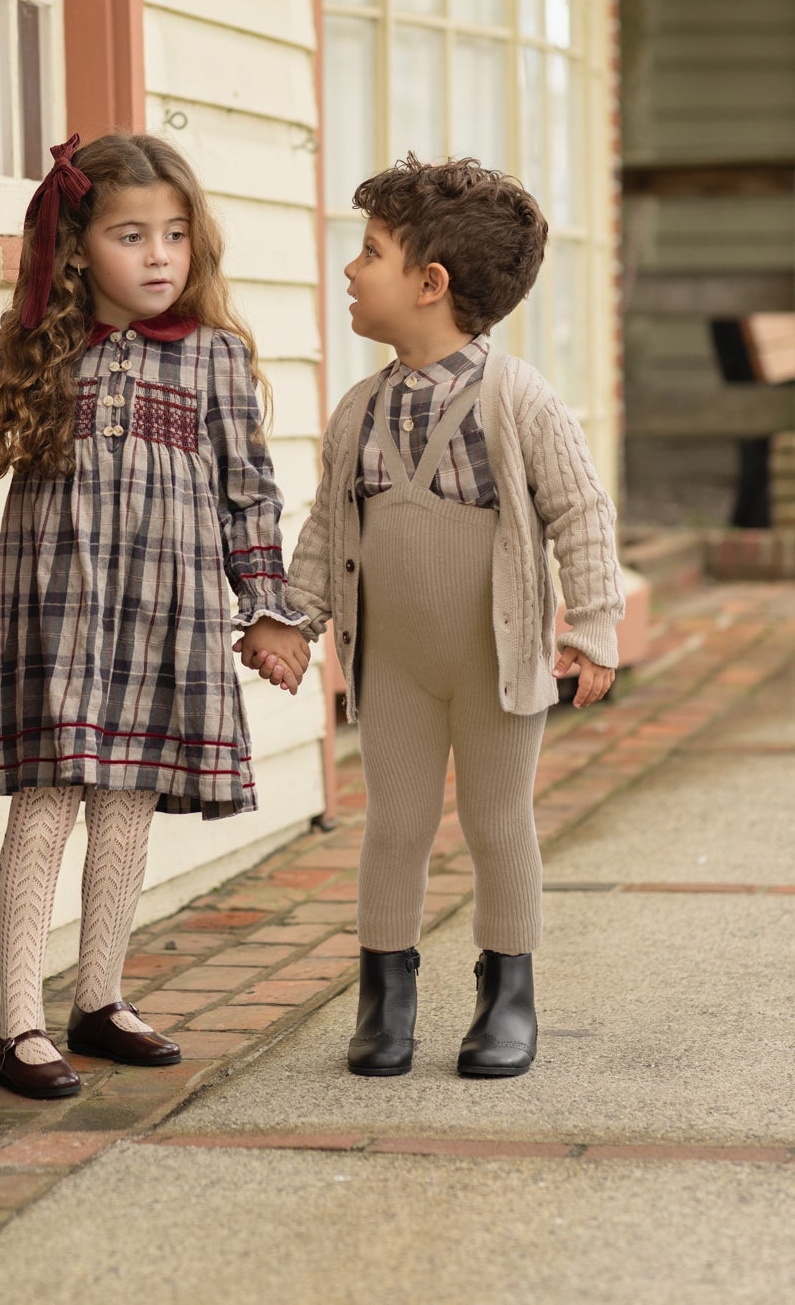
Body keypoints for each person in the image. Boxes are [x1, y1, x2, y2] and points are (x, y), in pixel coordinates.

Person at [0, 131, 310, 1098]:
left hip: (164, 619)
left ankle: (101, 997)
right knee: (46, 810)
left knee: (125, 810)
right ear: (79, 249)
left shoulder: (213, 361)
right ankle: (19, 1025)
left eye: (175, 234)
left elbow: (249, 496)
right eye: (133, 235)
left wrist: (268, 611)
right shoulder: (39, 352)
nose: (160, 255)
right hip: (62, 616)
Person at [253, 156, 623, 1080]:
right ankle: (387, 996)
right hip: (397, 664)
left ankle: (508, 992)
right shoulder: (359, 410)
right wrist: (295, 622)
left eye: (368, 252)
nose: (349, 269)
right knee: (397, 823)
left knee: (499, 824)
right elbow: (329, 525)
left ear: (430, 285)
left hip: (495, 661)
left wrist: (594, 626)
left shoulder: (520, 400)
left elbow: (582, 513)